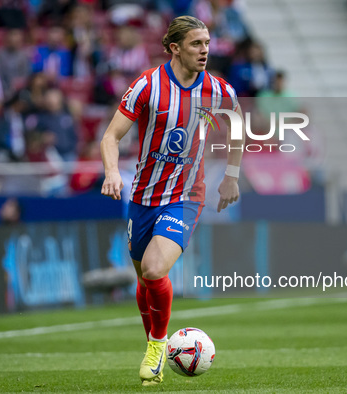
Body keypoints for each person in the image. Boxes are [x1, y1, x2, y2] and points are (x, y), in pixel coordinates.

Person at [100, 15, 243, 387]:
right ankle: (154, 339)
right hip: (144, 196)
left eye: (208, 43)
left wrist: (232, 176)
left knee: (154, 270)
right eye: (197, 44)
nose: (205, 50)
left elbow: (238, 127)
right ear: (175, 48)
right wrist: (112, 172)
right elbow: (110, 137)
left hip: (185, 196)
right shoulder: (146, 86)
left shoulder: (217, 89)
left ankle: (156, 346)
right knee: (144, 279)